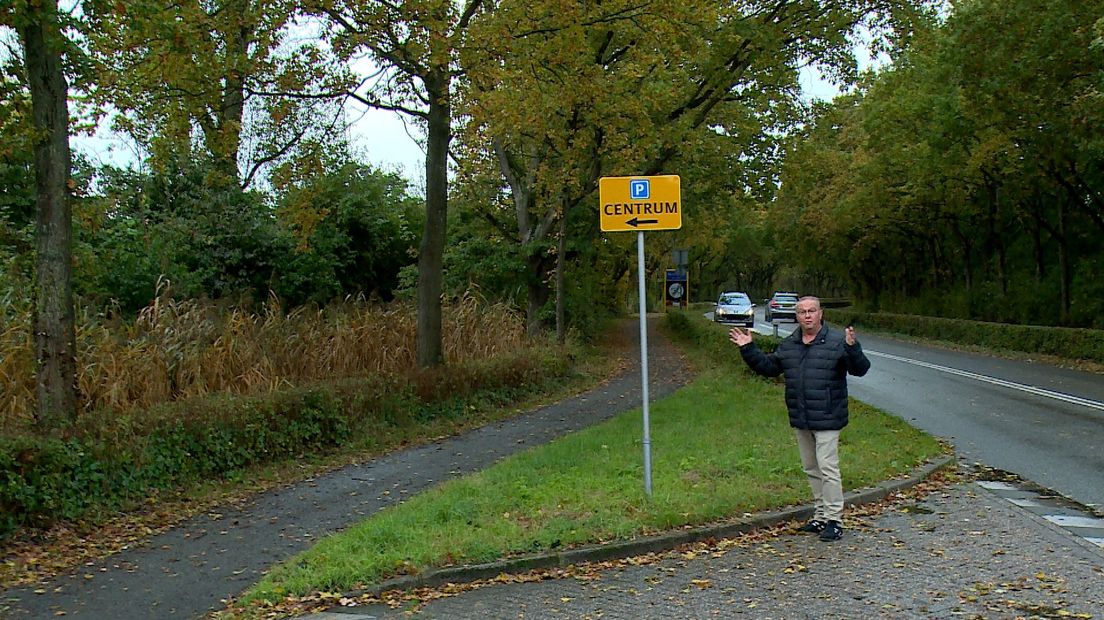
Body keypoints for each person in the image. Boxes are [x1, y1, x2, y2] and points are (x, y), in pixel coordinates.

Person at [728, 296, 870, 541]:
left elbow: (860, 369)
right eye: (802, 312)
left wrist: (852, 348)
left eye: (812, 311)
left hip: (828, 416)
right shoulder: (791, 343)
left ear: (820, 313)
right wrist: (748, 348)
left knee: (828, 468)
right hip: (801, 416)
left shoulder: (837, 342)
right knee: (811, 468)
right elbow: (770, 367)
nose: (807, 315)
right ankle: (821, 516)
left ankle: (834, 520)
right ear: (797, 316)